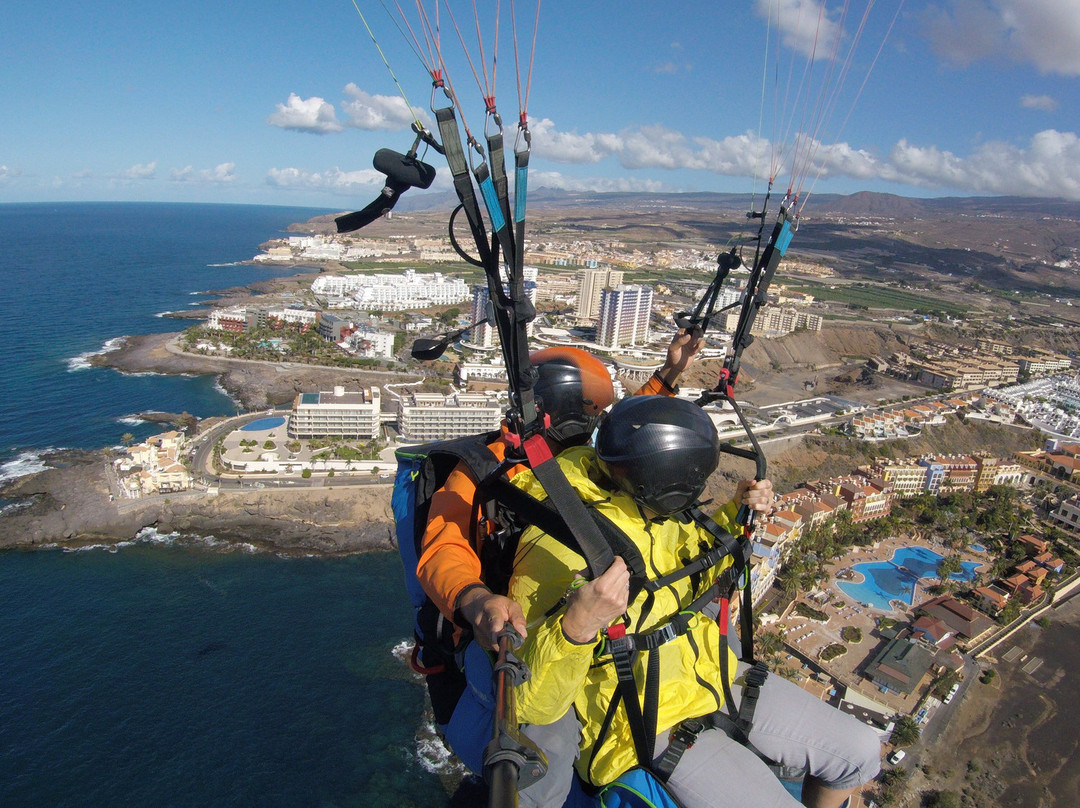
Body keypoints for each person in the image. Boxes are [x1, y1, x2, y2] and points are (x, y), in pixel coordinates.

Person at [508, 395, 881, 808]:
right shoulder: (560, 542)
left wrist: (738, 511)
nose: (699, 490)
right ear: (666, 485)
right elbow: (528, 703)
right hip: (638, 722)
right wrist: (575, 627)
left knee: (861, 753)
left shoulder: (654, 509)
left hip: (710, 672)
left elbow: (686, 564)